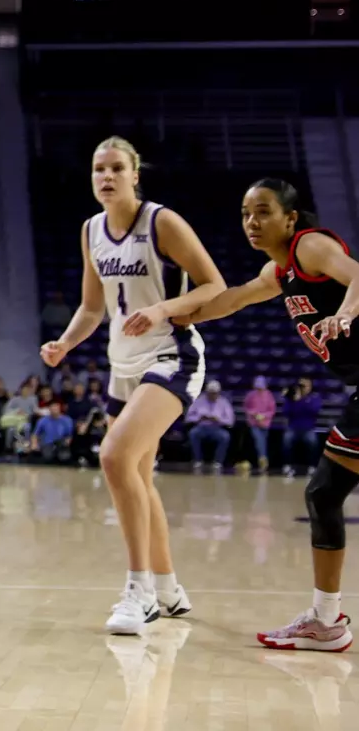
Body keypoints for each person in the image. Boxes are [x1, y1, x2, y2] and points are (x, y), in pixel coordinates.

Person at [40, 136, 223, 636]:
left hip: (172, 354)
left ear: (135, 174)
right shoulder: (91, 230)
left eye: (117, 168)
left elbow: (214, 285)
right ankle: (166, 587)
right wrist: (65, 343)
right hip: (122, 364)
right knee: (138, 477)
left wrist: (163, 308)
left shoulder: (161, 221)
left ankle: (138, 590)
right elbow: (92, 307)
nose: (106, 177)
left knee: (114, 456)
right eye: (99, 169)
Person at [174, 177, 359, 651]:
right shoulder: (279, 274)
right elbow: (232, 299)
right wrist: (173, 316)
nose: (252, 222)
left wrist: (348, 312)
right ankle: (325, 619)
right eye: (245, 213)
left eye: (263, 211)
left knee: (324, 492)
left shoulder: (309, 247)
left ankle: (326, 620)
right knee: (324, 494)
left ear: (290, 218)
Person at [186, 379, 235, 471]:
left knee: (225, 437)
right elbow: (188, 417)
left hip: (217, 428)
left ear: (218, 393)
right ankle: (197, 460)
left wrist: (219, 420)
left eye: (214, 393)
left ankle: (218, 461)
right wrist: (199, 418)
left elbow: (230, 421)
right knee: (193, 433)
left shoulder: (224, 402)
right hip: (201, 427)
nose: (212, 395)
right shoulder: (199, 400)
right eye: (210, 393)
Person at [285, 377, 324, 475]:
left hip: (308, 428)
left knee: (313, 443)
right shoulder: (291, 397)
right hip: (293, 427)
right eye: (301, 385)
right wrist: (295, 400)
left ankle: (312, 466)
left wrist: (300, 401)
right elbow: (286, 412)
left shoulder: (315, 398)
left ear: (310, 387)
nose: (303, 388)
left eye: (305, 385)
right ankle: (288, 465)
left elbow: (314, 411)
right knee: (286, 441)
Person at [243, 376, 278, 475]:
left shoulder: (269, 395)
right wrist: (254, 414)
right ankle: (262, 459)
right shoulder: (250, 395)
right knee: (259, 440)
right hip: (253, 422)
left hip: (265, 423)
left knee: (263, 441)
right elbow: (246, 408)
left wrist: (264, 416)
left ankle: (263, 460)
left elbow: (272, 410)